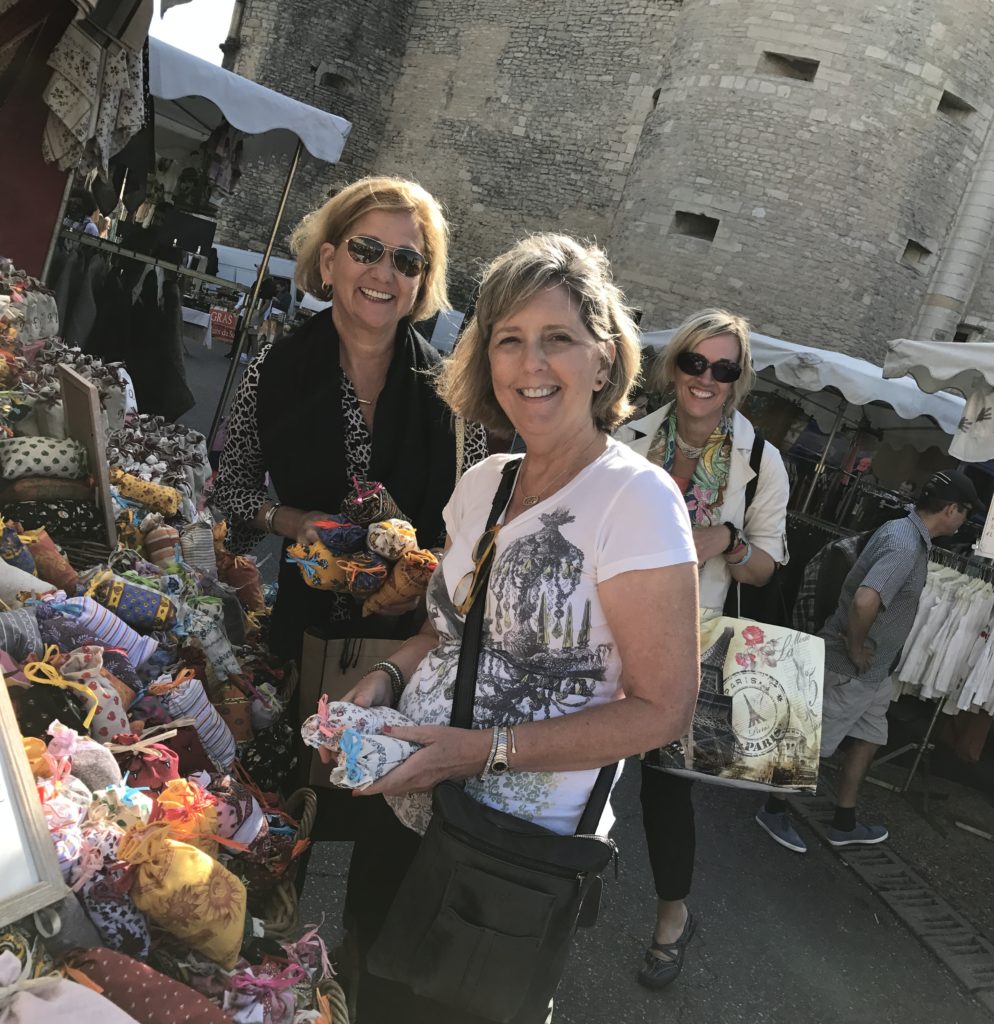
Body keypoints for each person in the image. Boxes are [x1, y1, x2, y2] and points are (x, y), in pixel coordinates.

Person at [338, 233, 701, 1022]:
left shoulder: (635, 500)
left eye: (558, 339)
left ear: (604, 361)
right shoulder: (482, 483)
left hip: (508, 857)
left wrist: (482, 752)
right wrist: (383, 679)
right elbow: (442, 632)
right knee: (363, 989)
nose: (531, 365)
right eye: (510, 341)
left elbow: (663, 710)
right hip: (407, 808)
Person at [207, 173, 489, 661]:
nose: (384, 273)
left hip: (413, 649)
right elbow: (232, 490)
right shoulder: (272, 374)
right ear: (329, 261)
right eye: (365, 250)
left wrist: (416, 577)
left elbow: (477, 528)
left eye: (406, 260)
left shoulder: (454, 398)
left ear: (420, 283)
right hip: (301, 640)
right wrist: (292, 519)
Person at [619, 308, 790, 990]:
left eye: (723, 369)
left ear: (738, 381)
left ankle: (672, 916)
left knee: (665, 789)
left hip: (692, 640)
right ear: (675, 364)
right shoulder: (631, 436)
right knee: (581, 760)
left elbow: (768, 566)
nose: (706, 379)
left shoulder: (761, 464)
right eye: (695, 362)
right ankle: (546, 883)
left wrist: (727, 540)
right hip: (613, 626)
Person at [757, 469, 982, 851]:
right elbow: (865, 599)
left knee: (870, 737)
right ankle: (772, 808)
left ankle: (844, 821)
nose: (965, 521)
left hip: (875, 673)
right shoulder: (905, 545)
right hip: (852, 668)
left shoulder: (908, 534)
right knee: (812, 742)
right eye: (965, 512)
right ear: (951, 509)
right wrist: (857, 647)